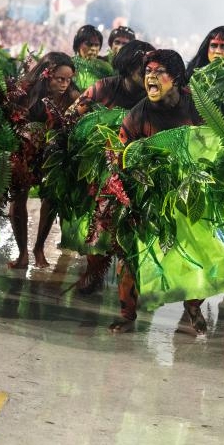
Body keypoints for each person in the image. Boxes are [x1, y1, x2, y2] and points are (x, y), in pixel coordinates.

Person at [111, 49, 206, 334]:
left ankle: (193, 306)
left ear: (175, 78)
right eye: (147, 71)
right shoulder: (138, 114)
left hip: (191, 190)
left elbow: (218, 141)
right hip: (149, 193)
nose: (150, 76)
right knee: (130, 256)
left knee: (198, 253)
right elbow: (118, 153)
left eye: (158, 71)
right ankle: (127, 314)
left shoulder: (196, 105)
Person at [66, 39, 155, 294]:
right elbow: (73, 113)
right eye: (144, 70)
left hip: (139, 169)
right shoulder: (105, 87)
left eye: (152, 70)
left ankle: (131, 284)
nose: (150, 75)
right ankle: (94, 270)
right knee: (98, 222)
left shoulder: (154, 94)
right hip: (101, 168)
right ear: (128, 67)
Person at [7, 51, 80, 269]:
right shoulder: (25, 92)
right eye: (60, 79)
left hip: (54, 155)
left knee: (51, 199)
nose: (65, 84)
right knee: (18, 199)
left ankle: (39, 248)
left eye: (68, 79)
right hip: (24, 153)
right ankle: (22, 254)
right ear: (46, 74)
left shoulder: (73, 97)